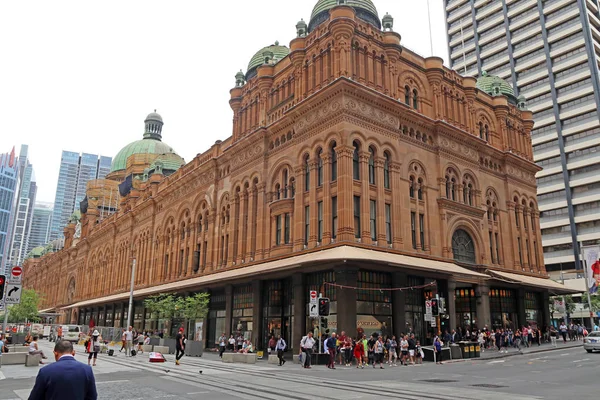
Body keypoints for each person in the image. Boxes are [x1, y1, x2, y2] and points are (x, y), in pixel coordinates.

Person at [28, 340, 97, 400]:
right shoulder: (87, 370)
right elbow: (92, 396)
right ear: (73, 353)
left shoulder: (45, 371)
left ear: (55, 353)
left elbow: (35, 397)